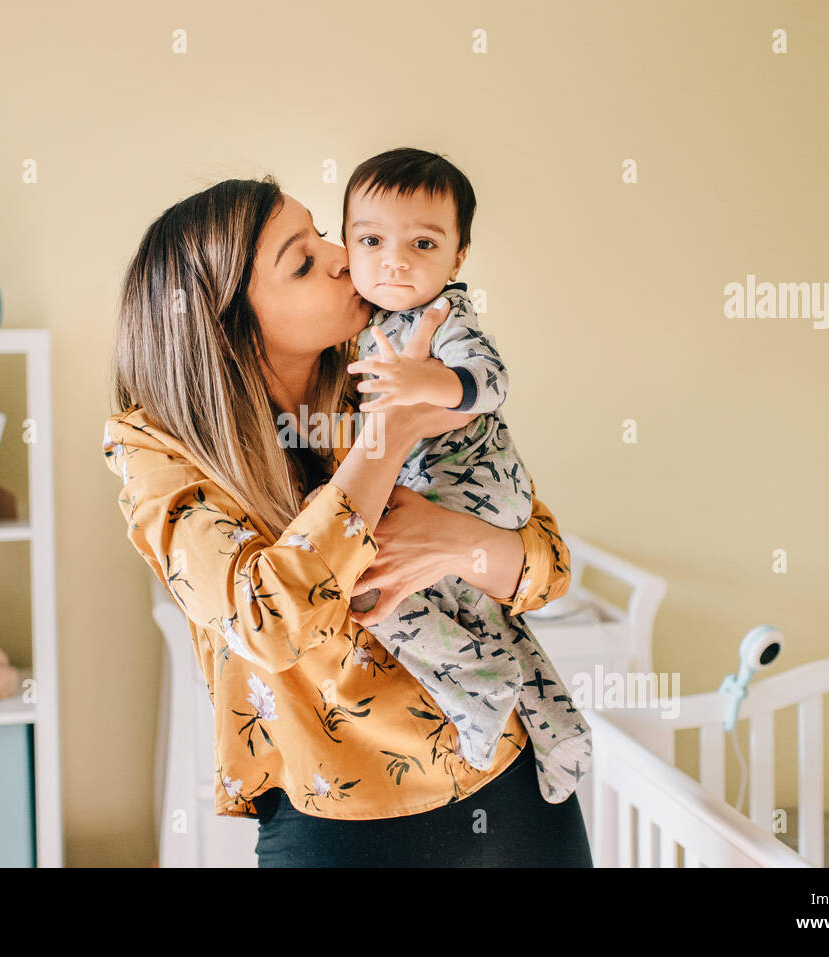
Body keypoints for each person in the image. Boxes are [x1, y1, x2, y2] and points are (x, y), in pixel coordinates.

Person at [102, 175, 592, 867]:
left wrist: (459, 543)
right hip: (331, 822)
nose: (342, 256)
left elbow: (546, 565)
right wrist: (383, 441)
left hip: (511, 790)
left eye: (323, 234)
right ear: (226, 322)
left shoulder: (391, 363)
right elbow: (267, 619)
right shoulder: (158, 449)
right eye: (301, 261)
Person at [335, 147, 592, 796]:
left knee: (371, 592)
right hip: (467, 500)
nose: (395, 259)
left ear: (457, 258)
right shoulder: (368, 323)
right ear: (347, 249)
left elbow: (493, 381)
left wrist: (433, 379)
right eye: (372, 240)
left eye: (422, 242)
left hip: (470, 489)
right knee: (493, 619)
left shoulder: (443, 316)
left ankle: (476, 684)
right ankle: (562, 734)